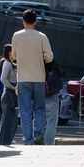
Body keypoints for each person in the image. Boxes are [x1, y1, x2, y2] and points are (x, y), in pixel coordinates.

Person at [11, 9, 54, 145]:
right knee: (40, 108)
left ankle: (28, 139)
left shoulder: (16, 36)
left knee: (25, 110)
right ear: (35, 21)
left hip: (23, 77)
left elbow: (13, 56)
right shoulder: (42, 36)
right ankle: (39, 134)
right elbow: (49, 57)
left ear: (23, 21)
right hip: (39, 77)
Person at [0, 44, 18, 145]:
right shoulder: (7, 63)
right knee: (7, 120)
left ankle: (7, 141)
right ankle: (3, 142)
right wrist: (14, 87)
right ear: (9, 52)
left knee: (13, 121)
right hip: (8, 93)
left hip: (12, 93)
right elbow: (3, 79)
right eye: (13, 51)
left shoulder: (12, 63)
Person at [44, 61, 63, 145]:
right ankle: (49, 142)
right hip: (53, 97)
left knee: (39, 120)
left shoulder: (40, 70)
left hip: (41, 96)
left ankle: (39, 140)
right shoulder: (55, 71)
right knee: (51, 122)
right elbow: (60, 85)